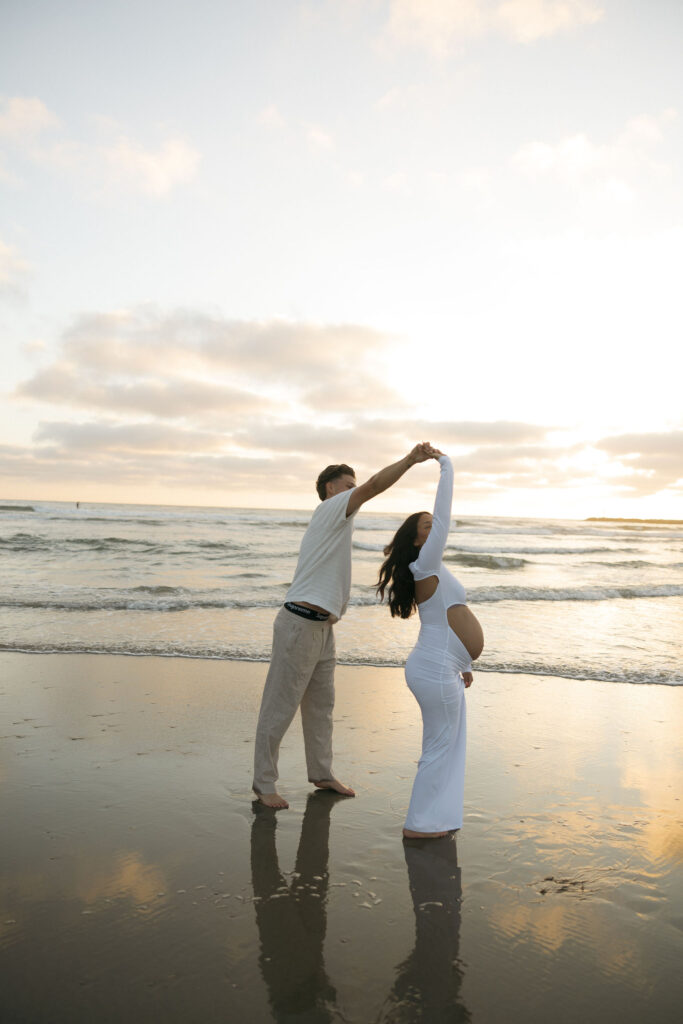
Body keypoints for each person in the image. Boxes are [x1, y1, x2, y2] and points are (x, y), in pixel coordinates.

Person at [253, 443, 437, 809]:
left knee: (322, 706)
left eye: (353, 483)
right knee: (279, 707)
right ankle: (263, 783)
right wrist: (410, 460)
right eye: (347, 483)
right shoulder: (330, 508)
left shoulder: (339, 520)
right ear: (331, 489)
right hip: (299, 625)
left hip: (323, 627)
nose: (354, 489)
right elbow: (372, 486)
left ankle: (321, 773)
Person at [376, 451, 484, 838]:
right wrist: (446, 465)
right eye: (427, 525)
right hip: (434, 668)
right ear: (420, 537)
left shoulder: (433, 568)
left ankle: (437, 819)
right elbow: (445, 514)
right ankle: (420, 825)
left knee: (449, 746)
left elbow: (446, 615)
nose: (434, 526)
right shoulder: (426, 564)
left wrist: (465, 665)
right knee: (439, 748)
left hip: (444, 667)